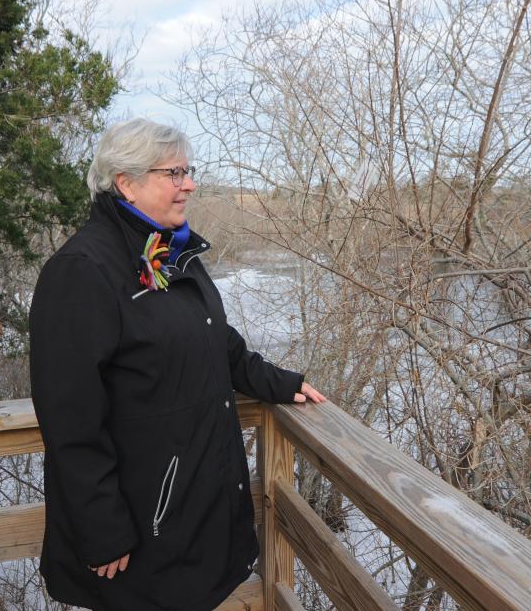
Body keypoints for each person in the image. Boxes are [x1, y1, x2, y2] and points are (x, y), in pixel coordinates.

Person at [28, 118, 326, 611]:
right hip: (144, 521)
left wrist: (276, 382)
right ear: (126, 182)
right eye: (174, 173)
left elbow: (213, 340)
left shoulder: (169, 253)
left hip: (192, 509)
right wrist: (101, 526)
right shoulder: (83, 271)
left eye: (189, 170)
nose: (190, 183)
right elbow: (69, 418)